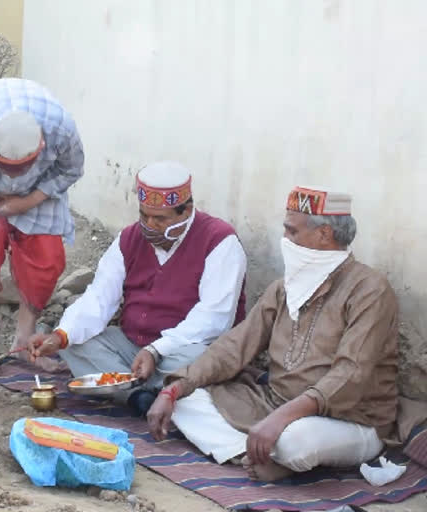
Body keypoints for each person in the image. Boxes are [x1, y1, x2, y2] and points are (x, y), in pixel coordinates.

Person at [146, 185, 399, 481]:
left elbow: (351, 374)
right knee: (185, 399)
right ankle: (253, 454)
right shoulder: (284, 287)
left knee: (295, 441)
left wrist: (282, 419)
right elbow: (235, 346)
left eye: (292, 232)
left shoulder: (369, 290)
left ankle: (273, 453)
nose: (285, 240)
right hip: (273, 403)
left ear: (324, 235)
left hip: (349, 419)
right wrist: (173, 388)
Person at [27, 161, 247, 416]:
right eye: (144, 215)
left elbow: (214, 318)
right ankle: (143, 396)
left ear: (186, 211)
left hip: (183, 349)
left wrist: (156, 350)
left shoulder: (220, 241)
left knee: (199, 361)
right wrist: (60, 336)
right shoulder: (130, 238)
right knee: (76, 344)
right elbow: (100, 296)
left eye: (160, 219)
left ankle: (135, 390)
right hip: (133, 344)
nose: (149, 225)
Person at [0, 78, 84, 377]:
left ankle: (24, 340)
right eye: (4, 167)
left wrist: (29, 200)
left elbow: (73, 168)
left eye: (19, 168)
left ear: (42, 147)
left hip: (40, 188)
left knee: (47, 259)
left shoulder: (61, 130)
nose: (10, 177)